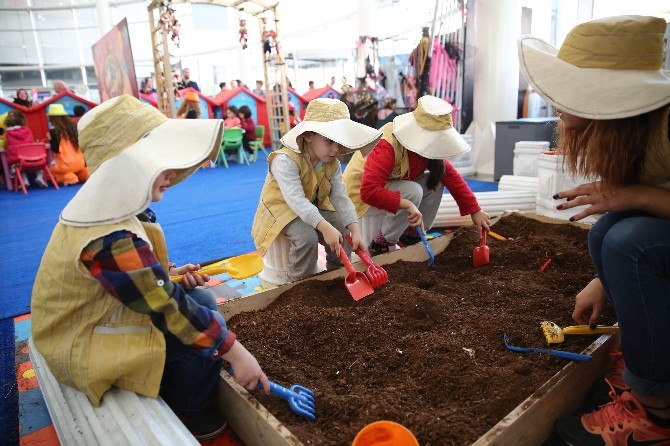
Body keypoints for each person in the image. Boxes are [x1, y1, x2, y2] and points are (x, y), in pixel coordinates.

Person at [30, 95, 270, 441]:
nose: (171, 172)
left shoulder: (112, 211)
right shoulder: (107, 236)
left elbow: (140, 281)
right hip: (81, 344)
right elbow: (165, 304)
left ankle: (175, 380)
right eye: (159, 160)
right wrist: (235, 351)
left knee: (201, 299)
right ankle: (187, 406)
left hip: (97, 319)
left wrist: (170, 275)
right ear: (126, 167)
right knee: (204, 327)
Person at [517, 15, 670, 445]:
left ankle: (657, 415)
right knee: (606, 232)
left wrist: (634, 197)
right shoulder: (633, 131)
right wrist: (603, 280)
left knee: (628, 243)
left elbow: (643, 218)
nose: (556, 102)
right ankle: (643, 363)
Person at [251, 98, 382, 282]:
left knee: (341, 231)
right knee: (307, 238)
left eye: (339, 142)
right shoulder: (285, 160)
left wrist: (355, 229)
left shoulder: (332, 162)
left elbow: (339, 196)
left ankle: (338, 275)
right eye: (329, 141)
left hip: (312, 205)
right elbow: (296, 201)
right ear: (308, 135)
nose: (336, 149)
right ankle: (301, 284)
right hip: (282, 210)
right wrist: (325, 227)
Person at [343, 95, 490, 255]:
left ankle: (410, 236)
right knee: (413, 191)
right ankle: (382, 242)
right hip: (359, 190)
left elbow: (451, 176)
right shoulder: (387, 145)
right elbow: (368, 191)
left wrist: (475, 211)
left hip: (388, 183)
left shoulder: (426, 149)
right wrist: (406, 204)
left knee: (436, 181)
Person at [46, 104, 89, 186]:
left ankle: (70, 177)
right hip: (80, 162)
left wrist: (50, 139)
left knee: (51, 172)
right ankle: (85, 174)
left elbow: (55, 149)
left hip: (65, 164)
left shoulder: (54, 131)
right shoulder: (74, 127)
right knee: (82, 170)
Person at [4, 109, 48, 188]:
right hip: (33, 159)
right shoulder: (27, 130)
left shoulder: (7, 133)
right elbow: (31, 142)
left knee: (19, 167)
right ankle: (39, 176)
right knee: (40, 165)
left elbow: (5, 145)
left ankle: (24, 181)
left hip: (18, 161)